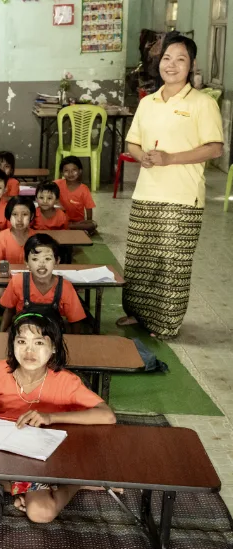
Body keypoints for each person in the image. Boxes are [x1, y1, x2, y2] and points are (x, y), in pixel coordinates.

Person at [117, 32, 223, 339]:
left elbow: (215, 148)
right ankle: (137, 314)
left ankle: (166, 324)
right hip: (146, 192)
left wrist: (169, 158)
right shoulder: (148, 102)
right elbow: (133, 142)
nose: (172, 65)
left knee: (171, 264)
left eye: (180, 59)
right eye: (166, 58)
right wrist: (145, 158)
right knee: (140, 258)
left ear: (191, 65)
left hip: (182, 197)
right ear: (157, 61)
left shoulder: (202, 103)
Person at [0, 311, 115, 522]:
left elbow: (107, 416)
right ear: (12, 345)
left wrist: (50, 417)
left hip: (49, 452)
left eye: (39, 343)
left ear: (53, 348)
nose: (29, 350)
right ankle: (22, 487)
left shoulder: (66, 382)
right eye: (22, 341)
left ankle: (75, 482)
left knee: (41, 513)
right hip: (9, 447)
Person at [0, 234, 86, 333]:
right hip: (24, 333)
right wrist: (1, 333)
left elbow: (75, 320)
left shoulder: (65, 287)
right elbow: (9, 310)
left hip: (52, 334)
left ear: (57, 261)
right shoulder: (17, 282)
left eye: (47, 259)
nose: (41, 264)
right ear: (26, 262)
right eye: (35, 259)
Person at [0, 197, 35, 265]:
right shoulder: (1, 238)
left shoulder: (36, 238)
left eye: (24, 214)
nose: (19, 219)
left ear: (32, 216)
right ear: (9, 215)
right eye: (15, 214)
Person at [55, 156, 97, 233]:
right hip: (61, 219)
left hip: (78, 222)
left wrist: (88, 222)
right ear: (62, 173)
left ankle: (69, 227)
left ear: (80, 171)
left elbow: (89, 208)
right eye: (66, 171)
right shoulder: (56, 184)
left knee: (92, 224)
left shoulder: (84, 189)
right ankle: (70, 227)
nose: (70, 174)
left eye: (74, 170)